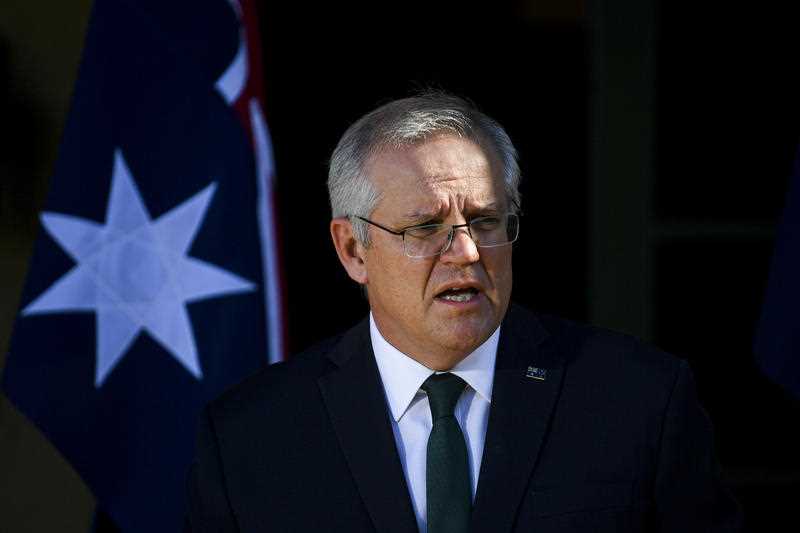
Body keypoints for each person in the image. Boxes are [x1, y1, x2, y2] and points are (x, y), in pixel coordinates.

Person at [185, 93, 742, 532]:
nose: (469, 252)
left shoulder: (638, 400)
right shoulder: (252, 433)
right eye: (426, 227)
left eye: (485, 221)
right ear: (353, 250)